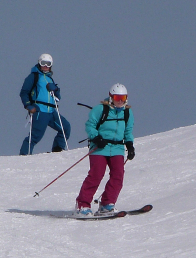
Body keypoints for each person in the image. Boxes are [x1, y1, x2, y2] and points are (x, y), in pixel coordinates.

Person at [75, 83, 135, 216]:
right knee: (96, 175)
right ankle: (82, 205)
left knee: (118, 176)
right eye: (117, 97)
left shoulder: (127, 112)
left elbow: (128, 131)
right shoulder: (100, 109)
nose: (120, 101)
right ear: (111, 97)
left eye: (123, 97)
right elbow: (90, 126)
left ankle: (107, 204)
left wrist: (130, 146)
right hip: (100, 148)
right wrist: (96, 138)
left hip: (118, 148)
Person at [19, 53, 71, 155]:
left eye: (48, 64)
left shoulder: (49, 78)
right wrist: (28, 105)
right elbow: (24, 92)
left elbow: (57, 96)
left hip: (51, 111)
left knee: (65, 127)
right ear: (39, 63)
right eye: (43, 63)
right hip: (40, 111)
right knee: (35, 136)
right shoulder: (33, 76)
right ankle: (24, 155)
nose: (46, 66)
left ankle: (58, 150)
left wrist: (55, 89)